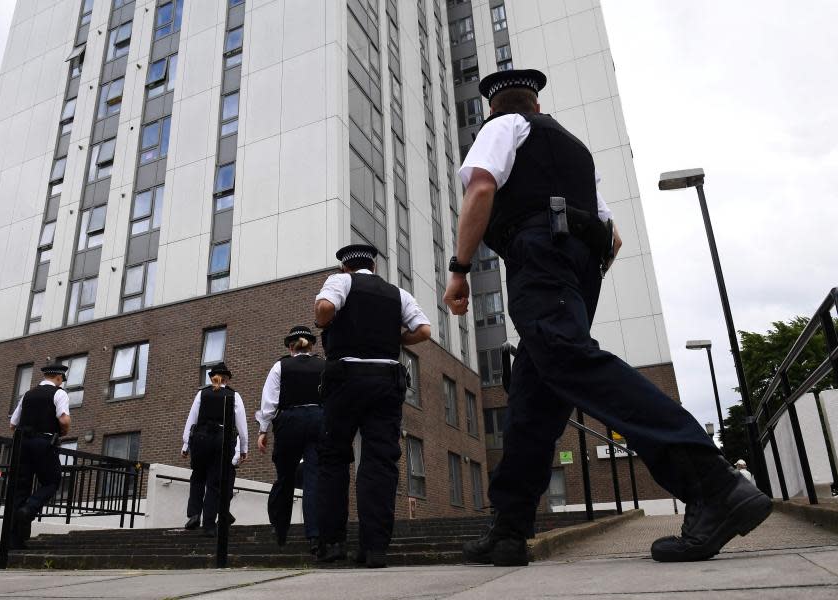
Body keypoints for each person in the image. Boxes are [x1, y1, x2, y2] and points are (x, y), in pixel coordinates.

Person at [442, 68, 771, 566]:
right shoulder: (575, 150)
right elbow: (612, 237)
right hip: (581, 267)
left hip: (539, 257)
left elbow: (481, 189)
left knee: (569, 360)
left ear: (495, 107)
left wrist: (459, 269)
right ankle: (508, 530)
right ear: (537, 105)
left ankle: (715, 484)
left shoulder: (501, 128)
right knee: (534, 399)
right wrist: (577, 272)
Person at [314, 243, 432, 568]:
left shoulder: (341, 282)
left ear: (345, 268)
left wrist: (327, 321)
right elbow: (424, 330)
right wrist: (396, 340)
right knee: (380, 460)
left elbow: (324, 309)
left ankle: (333, 543)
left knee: (334, 458)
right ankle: (375, 548)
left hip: (346, 379)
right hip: (385, 380)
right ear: (374, 267)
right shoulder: (397, 293)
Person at [256, 326, 326, 554]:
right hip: (318, 420)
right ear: (311, 345)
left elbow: (269, 402)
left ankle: (280, 529)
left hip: (290, 422)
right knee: (313, 479)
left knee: (284, 477)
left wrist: (263, 430)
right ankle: (315, 536)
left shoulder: (280, 366)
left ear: (290, 346)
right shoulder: (323, 365)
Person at [8, 362, 72, 549]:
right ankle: (30, 508)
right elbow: (64, 419)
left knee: (20, 489)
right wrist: (64, 431)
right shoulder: (59, 393)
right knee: (52, 481)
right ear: (59, 378)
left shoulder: (27, 395)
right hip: (44, 443)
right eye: (61, 381)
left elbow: (13, 424)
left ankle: (14, 541)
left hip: (21, 444)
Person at [181, 362, 248, 537]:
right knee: (214, 483)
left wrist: (186, 444)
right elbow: (241, 425)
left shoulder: (202, 394)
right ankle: (209, 524)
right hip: (222, 439)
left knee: (197, 477)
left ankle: (194, 514)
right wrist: (243, 448)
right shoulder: (234, 395)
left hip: (200, 438)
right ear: (227, 378)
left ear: (212, 378)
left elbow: (192, 419)